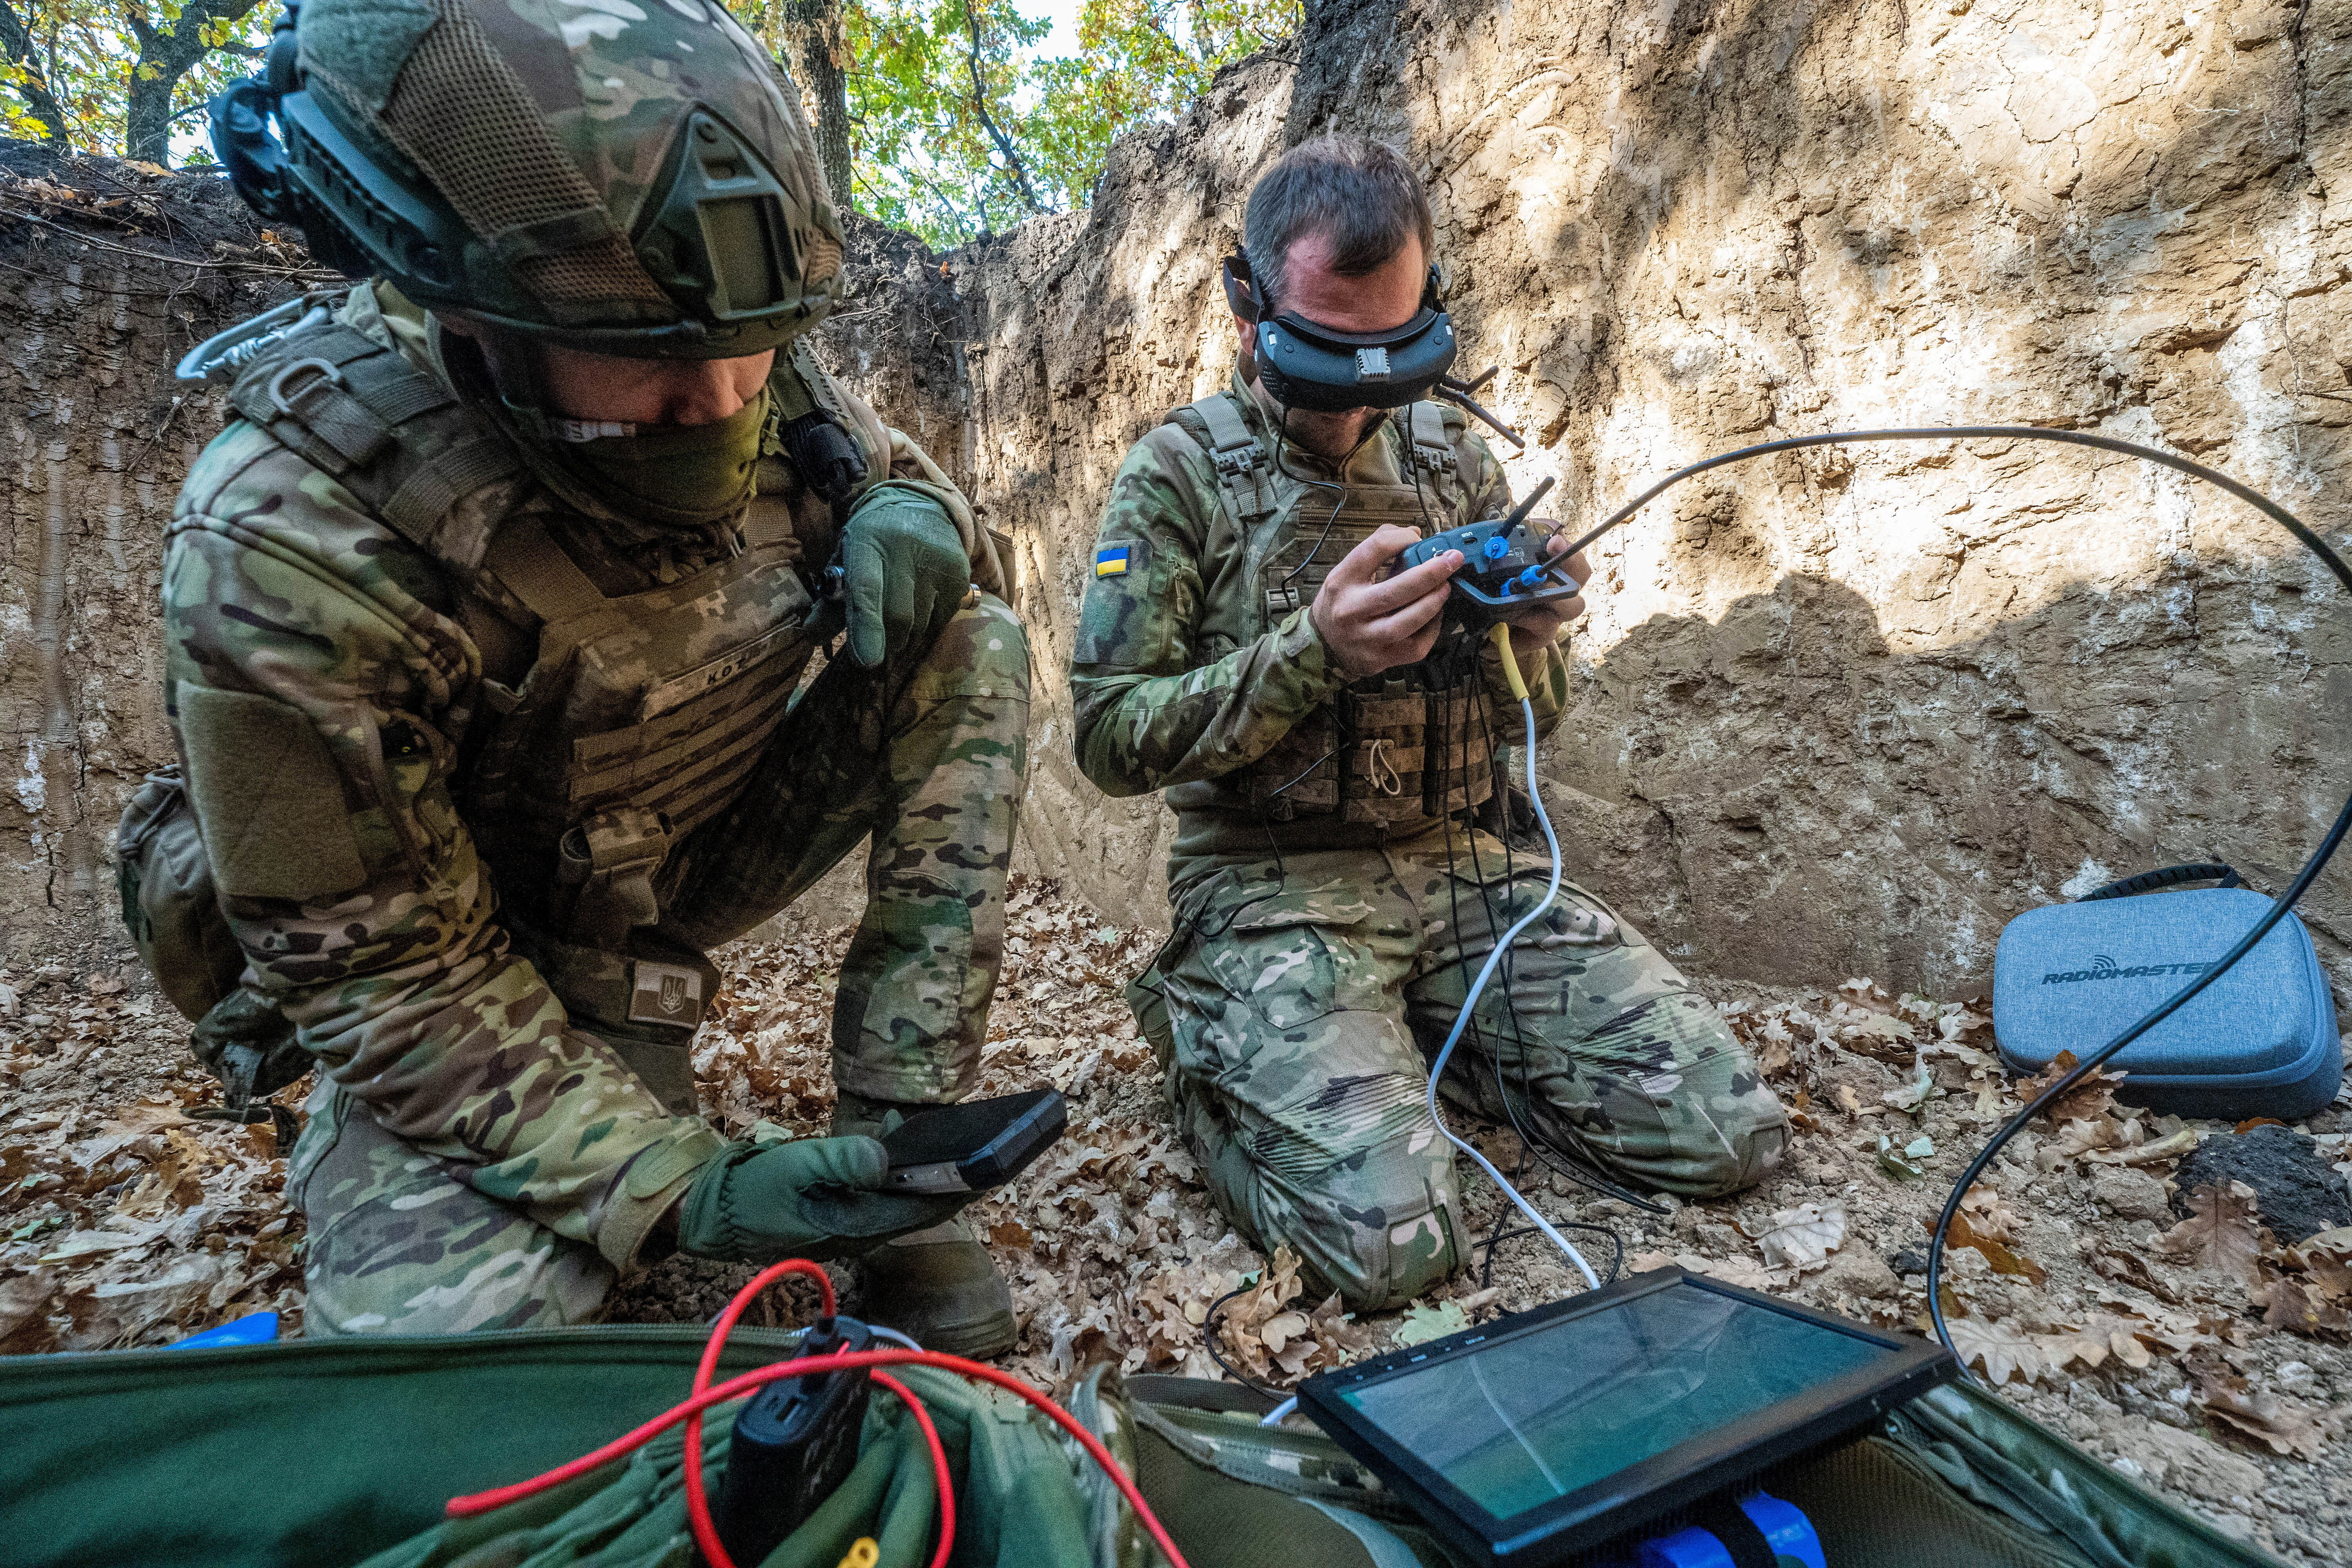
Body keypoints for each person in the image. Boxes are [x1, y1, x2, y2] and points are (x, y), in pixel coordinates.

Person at [128, 0, 1026, 1354]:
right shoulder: (295, 535)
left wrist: (934, 521)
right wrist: (679, 1189)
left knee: (972, 637)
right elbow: (389, 982)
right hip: (462, 965)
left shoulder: (721, 322)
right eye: (657, 370)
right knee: (476, 1368)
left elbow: (910, 503)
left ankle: (901, 1149)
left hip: (653, 870)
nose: (725, 399)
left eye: (754, 354)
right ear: (466, 305)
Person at [1071, 136, 1788, 1310]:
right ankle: (1210, 1052)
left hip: (1466, 874)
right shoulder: (1176, 476)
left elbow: (1532, 715)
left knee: (1729, 1135)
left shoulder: (1456, 456)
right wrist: (1315, 651)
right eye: (1327, 350)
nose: (1363, 393)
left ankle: (1420, 1053)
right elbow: (1105, 737)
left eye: (1394, 356)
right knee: (1390, 1252)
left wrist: (1540, 635)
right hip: (1273, 893)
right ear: (1247, 307)